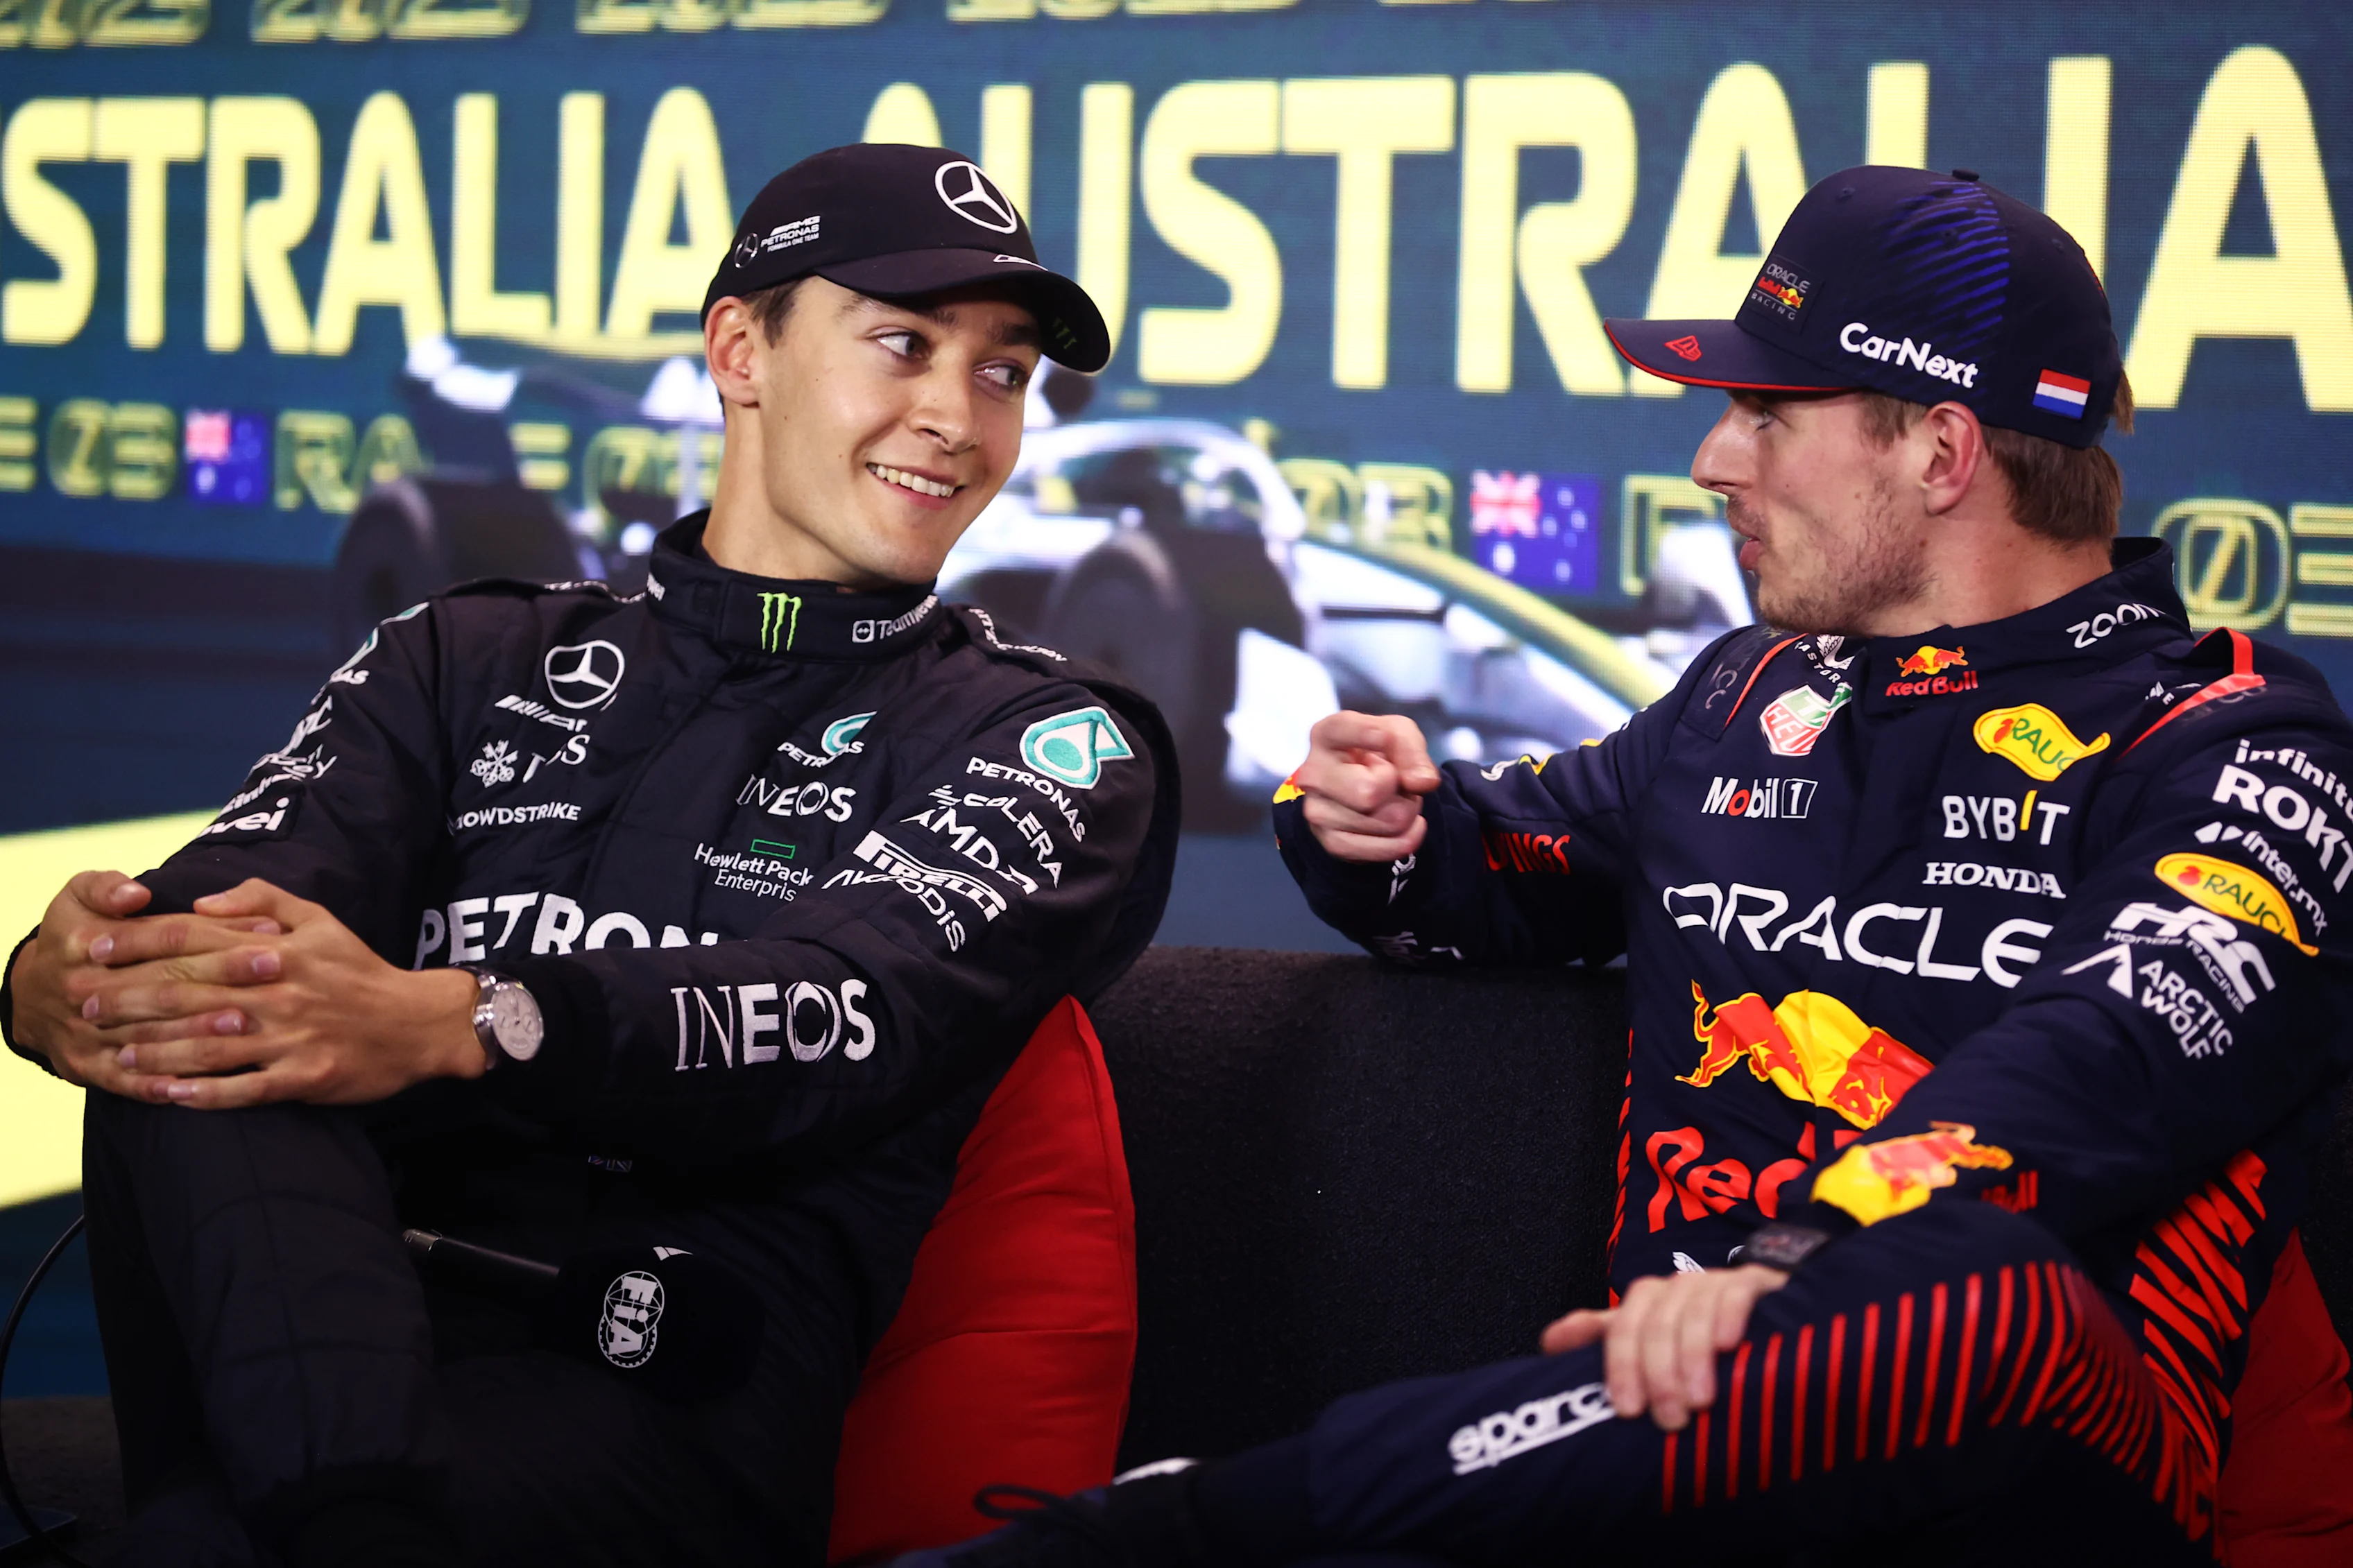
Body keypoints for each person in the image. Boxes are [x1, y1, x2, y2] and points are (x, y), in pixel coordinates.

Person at [896, 167, 2353, 1563]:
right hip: (1666, 1455)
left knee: (1983, 1299)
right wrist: (1382, 829)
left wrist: (1804, 1261)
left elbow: (2106, 1053)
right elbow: (1509, 865)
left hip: (2028, 1464)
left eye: (1767, 415)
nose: (1714, 459)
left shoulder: (2238, 743)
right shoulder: (1746, 697)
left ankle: (1169, 1525)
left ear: (1941, 451)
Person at [1, 142, 1177, 1567]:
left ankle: (344, 1522)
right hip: (300, 1307)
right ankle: (357, 1527)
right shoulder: (463, 654)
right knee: (224, 993)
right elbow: (212, 919)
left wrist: (469, 1018)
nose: (954, 415)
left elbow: (847, 1003)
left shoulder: (1050, 738)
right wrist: (59, 976)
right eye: (902, 344)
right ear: (740, 351)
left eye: (1001, 373)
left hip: (658, 1387)